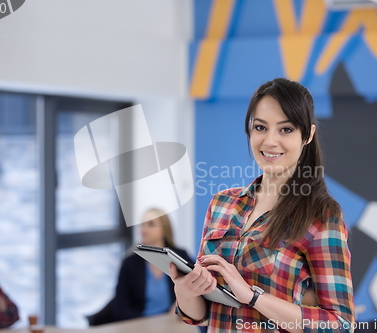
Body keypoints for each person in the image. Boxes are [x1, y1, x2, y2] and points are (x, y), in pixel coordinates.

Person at [169, 78, 354, 332]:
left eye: (286, 129)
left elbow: (340, 325)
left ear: (308, 135)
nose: (269, 141)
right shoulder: (221, 204)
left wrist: (252, 297)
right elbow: (199, 315)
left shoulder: (322, 216)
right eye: (260, 127)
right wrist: (184, 289)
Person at [87, 208, 194, 325]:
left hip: (172, 324)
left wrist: (180, 304)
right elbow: (121, 308)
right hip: (139, 324)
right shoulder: (130, 263)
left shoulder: (180, 257)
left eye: (151, 224)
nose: (144, 229)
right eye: (142, 224)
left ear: (164, 228)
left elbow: (196, 286)